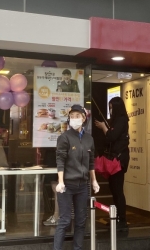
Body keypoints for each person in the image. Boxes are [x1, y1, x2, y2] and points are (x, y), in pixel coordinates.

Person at [54, 105, 99, 250]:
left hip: (82, 186)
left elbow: (91, 162)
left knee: (81, 221)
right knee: (65, 221)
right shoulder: (64, 137)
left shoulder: (89, 139)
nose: (74, 119)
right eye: (72, 116)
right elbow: (60, 160)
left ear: (84, 118)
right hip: (67, 186)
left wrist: (94, 181)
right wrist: (60, 182)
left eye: (77, 116)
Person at [94, 96, 130, 231]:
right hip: (115, 160)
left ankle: (122, 219)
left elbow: (111, 137)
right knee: (114, 190)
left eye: (111, 108)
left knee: (118, 190)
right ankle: (116, 217)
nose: (110, 110)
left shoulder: (121, 120)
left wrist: (103, 127)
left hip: (118, 161)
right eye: (109, 108)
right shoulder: (117, 120)